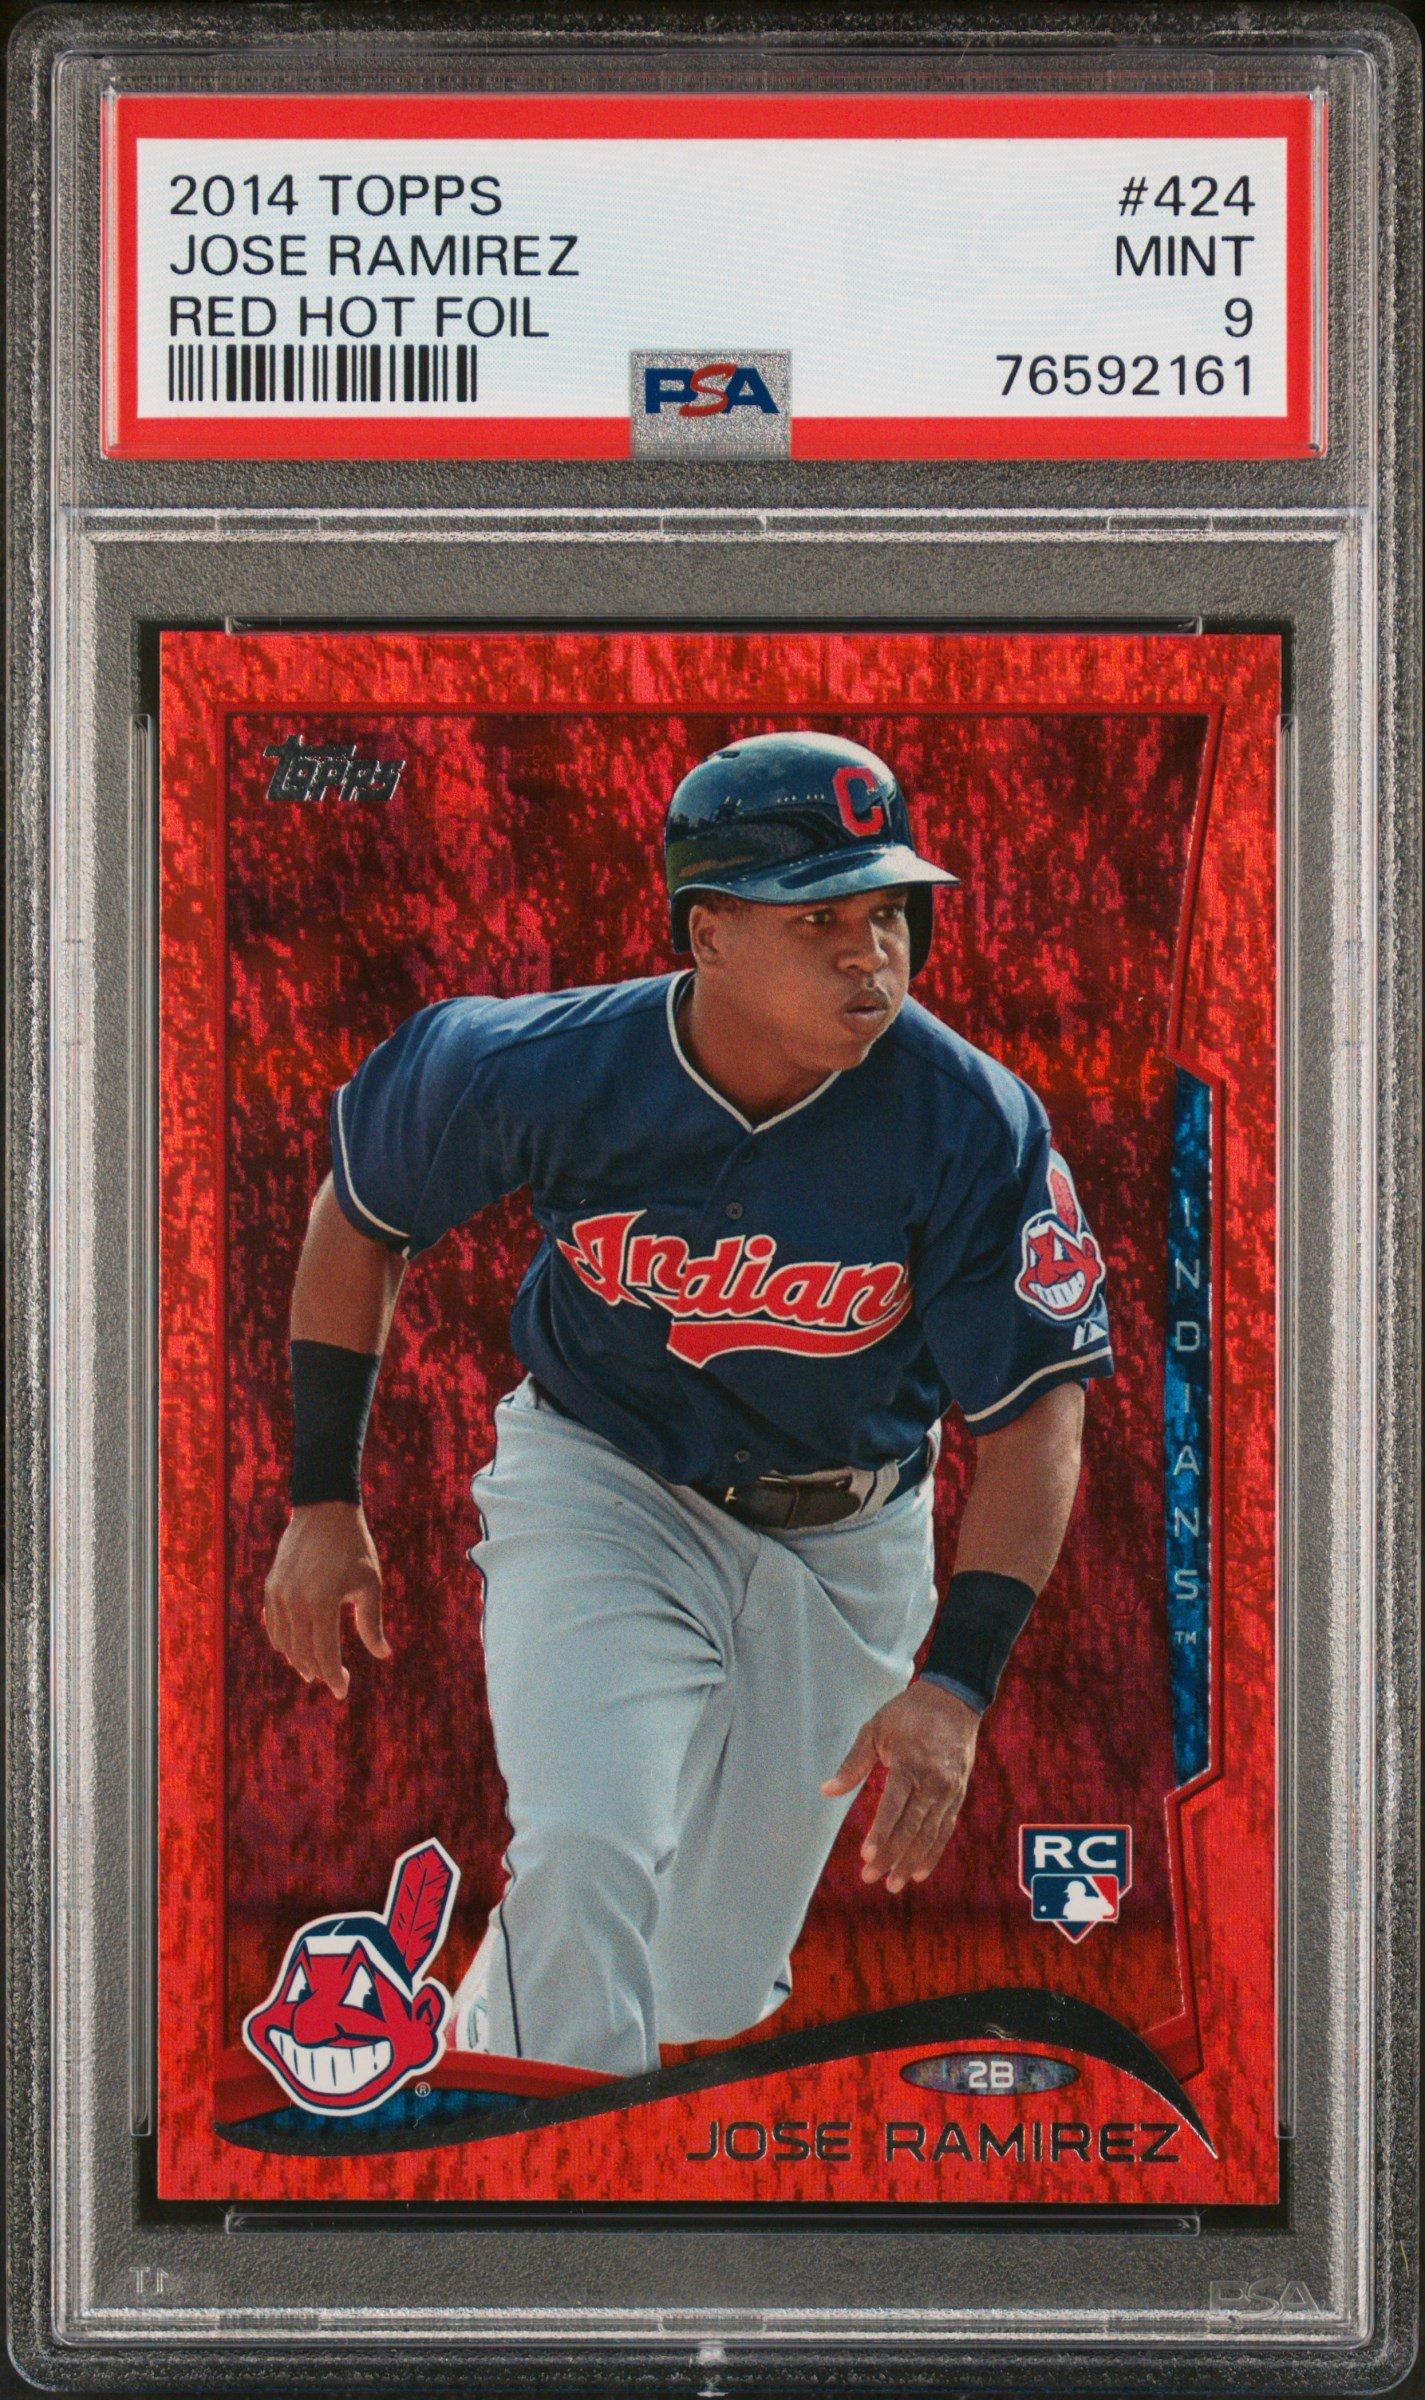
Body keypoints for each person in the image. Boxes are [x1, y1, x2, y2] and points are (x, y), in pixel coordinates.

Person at [262, 731, 1113, 2078]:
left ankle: (497, 2045)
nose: (869, 955)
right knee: (585, 1845)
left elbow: (1034, 1416)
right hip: (605, 1484)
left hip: (847, 1543)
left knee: (704, 1979)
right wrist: (322, 1499)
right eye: (818, 918)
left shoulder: (969, 1123)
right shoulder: (536, 1065)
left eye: (889, 913)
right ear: (706, 933)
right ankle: (526, 2171)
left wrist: (956, 1679)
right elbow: (360, 1216)